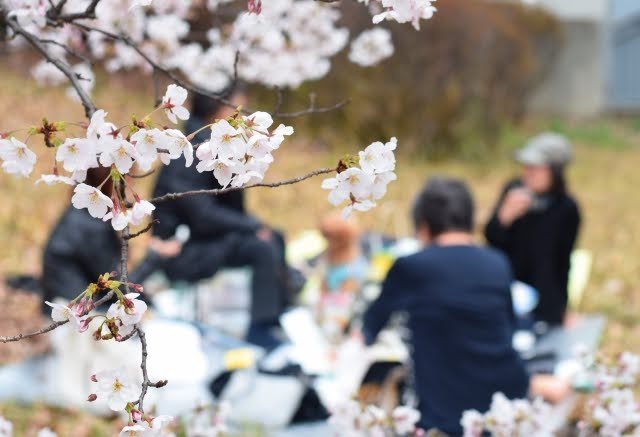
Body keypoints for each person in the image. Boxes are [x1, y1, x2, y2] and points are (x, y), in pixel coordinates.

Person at [362, 177, 568, 436]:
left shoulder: (411, 266)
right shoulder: (497, 263)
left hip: (440, 415)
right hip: (501, 407)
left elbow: (369, 328)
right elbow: (510, 327)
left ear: (423, 225)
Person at [151, 90, 292, 350]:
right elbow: (202, 215)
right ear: (216, 111)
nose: (241, 117)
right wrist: (251, 226)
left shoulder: (213, 143)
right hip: (183, 247)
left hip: (207, 237)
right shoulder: (193, 150)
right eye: (236, 110)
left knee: (275, 236)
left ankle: (277, 317)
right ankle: (259, 329)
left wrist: (253, 225)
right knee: (262, 247)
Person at [42, 168, 179, 306]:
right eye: (128, 179)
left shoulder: (79, 215)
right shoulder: (92, 228)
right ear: (114, 183)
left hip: (71, 301)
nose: (131, 186)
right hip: (79, 312)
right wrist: (155, 255)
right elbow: (118, 289)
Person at [484, 133, 581, 327]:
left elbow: (561, 263)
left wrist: (561, 308)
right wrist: (503, 218)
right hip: (504, 289)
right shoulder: (514, 191)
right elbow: (491, 240)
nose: (527, 173)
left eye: (535, 168)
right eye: (526, 167)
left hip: (542, 297)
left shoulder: (566, 209)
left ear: (555, 171)